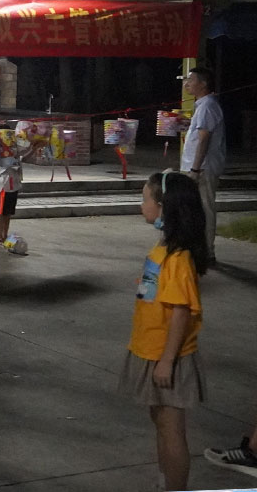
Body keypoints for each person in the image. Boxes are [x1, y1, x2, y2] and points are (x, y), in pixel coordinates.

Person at [117, 171, 208, 491]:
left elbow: (181, 313)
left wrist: (167, 361)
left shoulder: (179, 259)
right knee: (160, 422)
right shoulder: (165, 247)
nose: (141, 205)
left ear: (164, 208)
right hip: (151, 348)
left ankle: (175, 486)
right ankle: (164, 481)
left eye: (145, 199)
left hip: (166, 355)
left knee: (171, 428)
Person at [179, 67, 226, 265]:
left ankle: (207, 252)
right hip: (198, 167)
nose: (186, 84)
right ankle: (197, 249)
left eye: (191, 80)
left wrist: (195, 169)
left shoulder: (207, 106)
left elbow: (204, 139)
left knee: (205, 209)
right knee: (195, 209)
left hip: (202, 169)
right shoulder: (203, 106)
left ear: (203, 84)